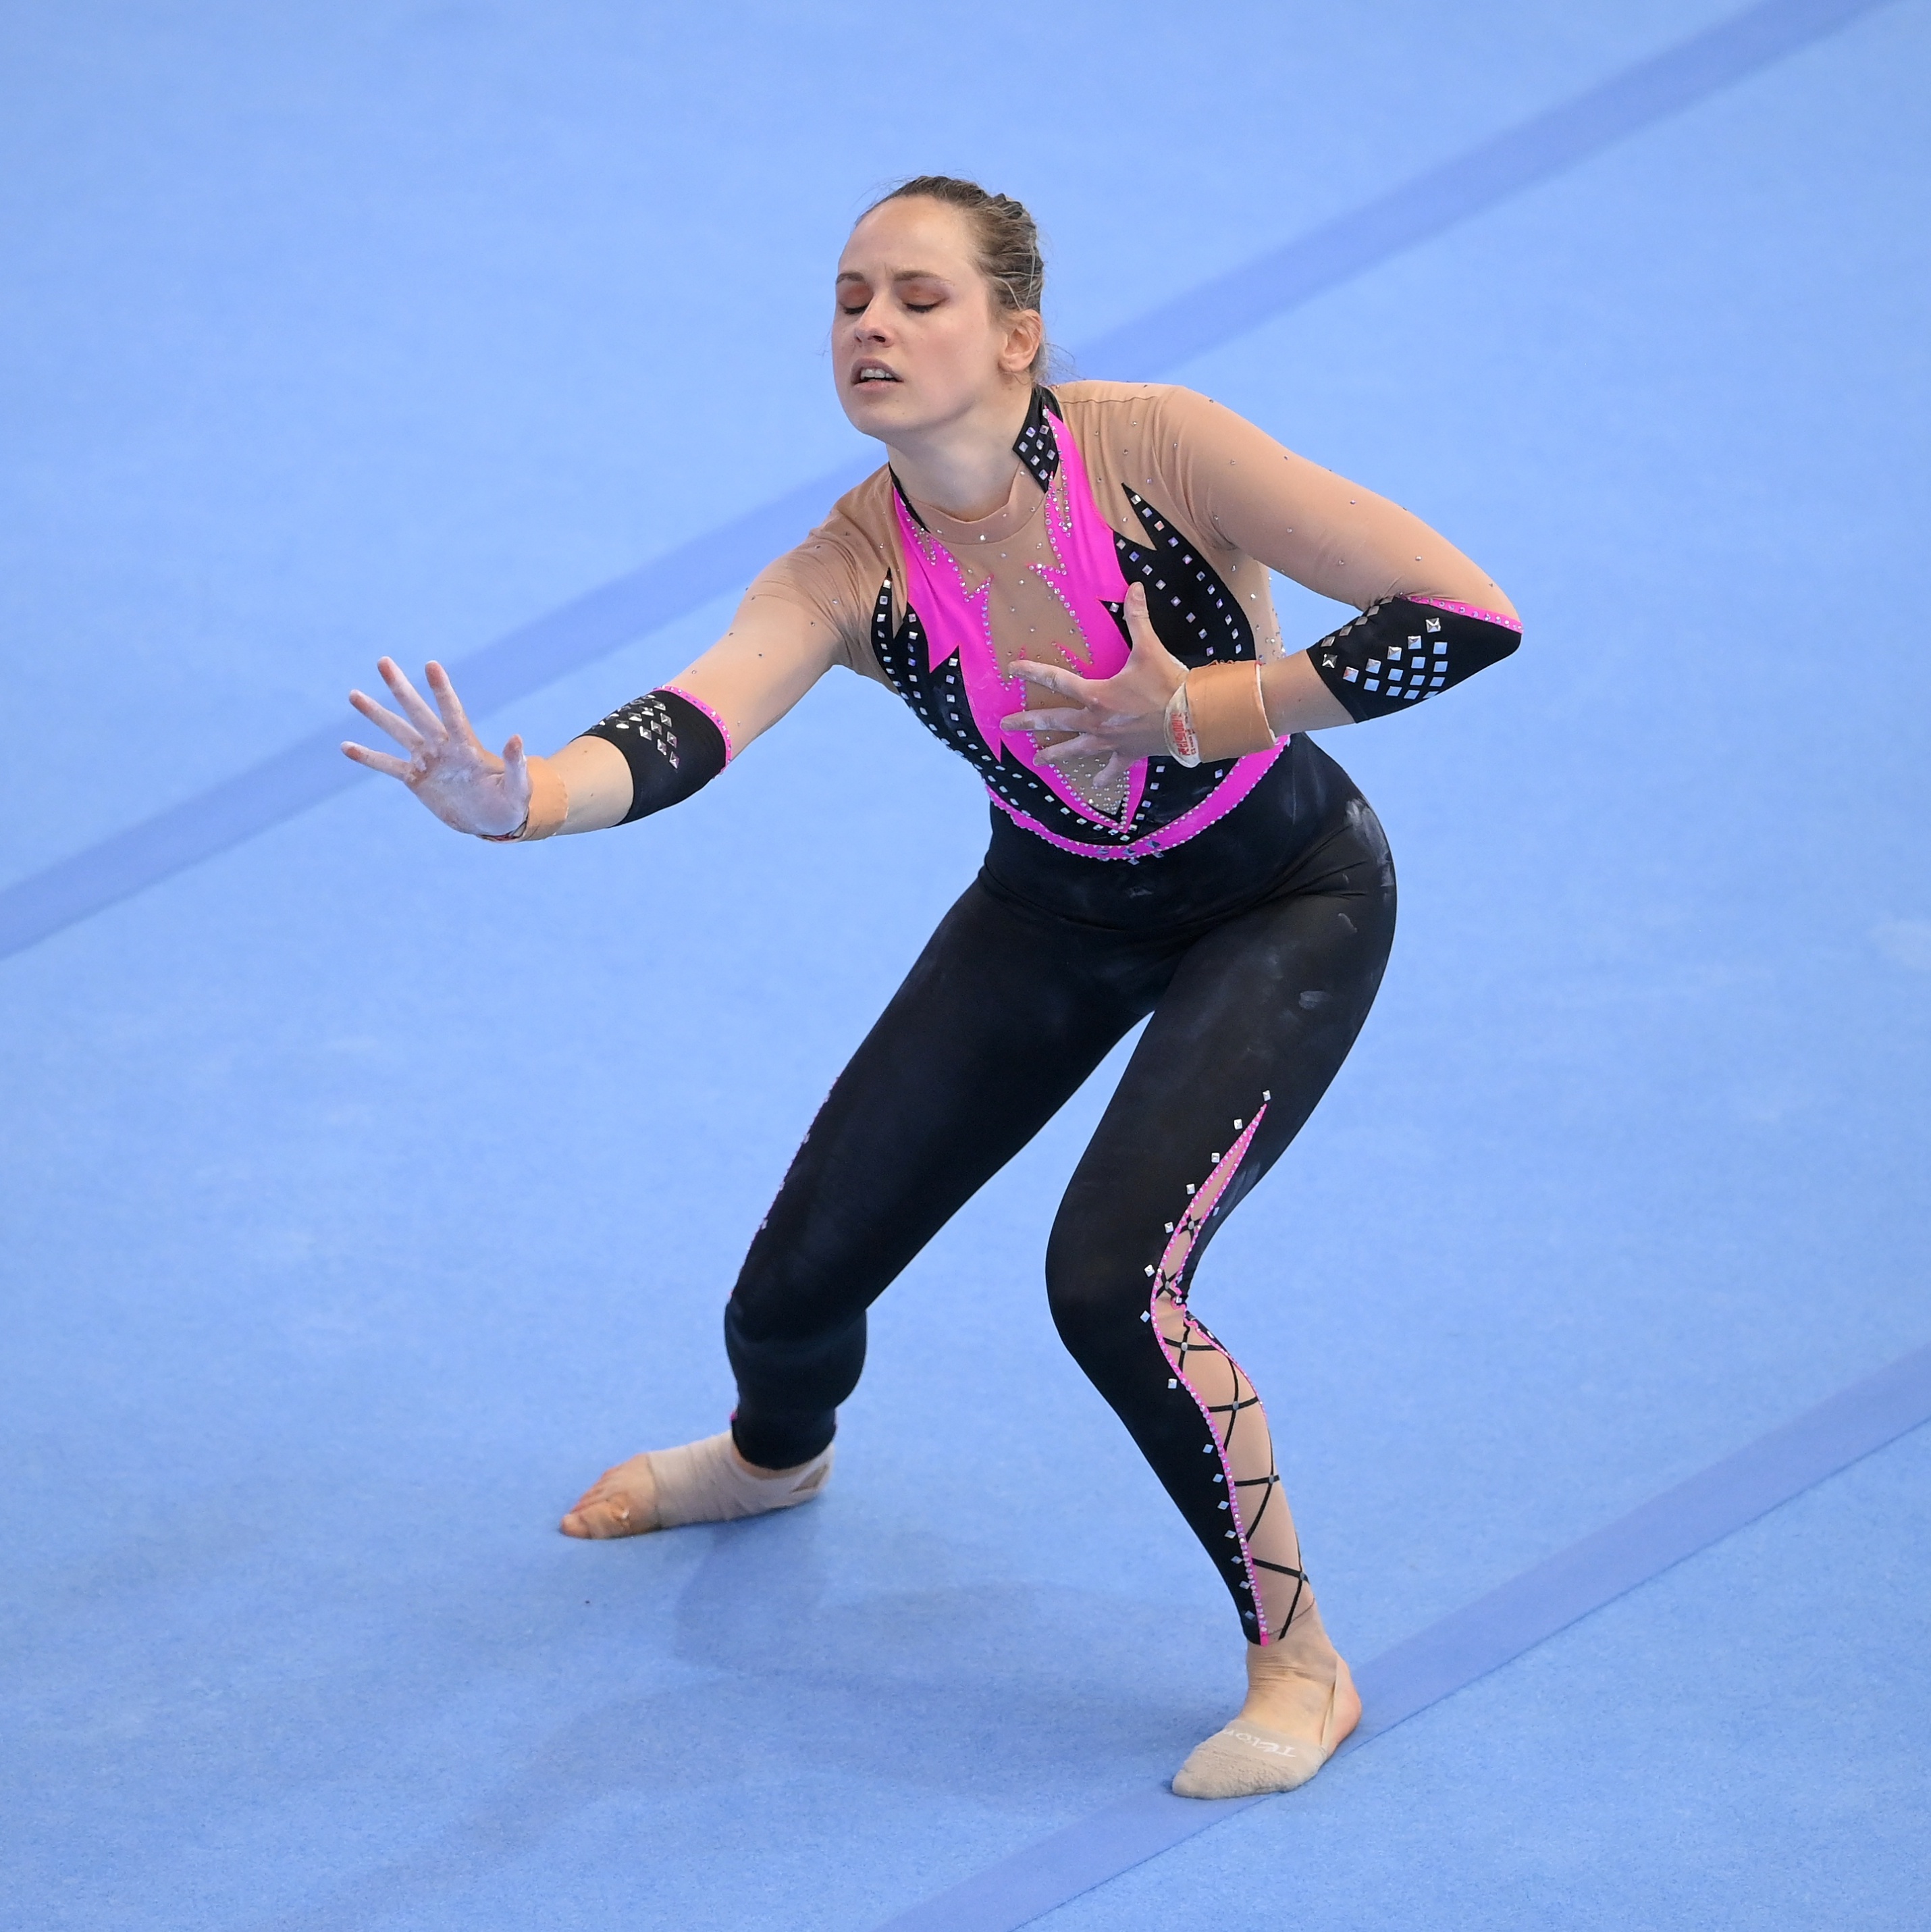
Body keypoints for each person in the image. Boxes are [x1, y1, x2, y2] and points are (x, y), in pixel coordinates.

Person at [342, 176, 1520, 1798]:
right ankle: (773, 1460)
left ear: (1016, 335)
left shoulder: (1155, 448)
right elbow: (694, 719)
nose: (870, 327)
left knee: (1110, 1282)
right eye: (846, 300)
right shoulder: (853, 561)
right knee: (789, 1291)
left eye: (915, 297)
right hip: (1050, 910)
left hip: (1280, 896)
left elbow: (1462, 614)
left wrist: (1213, 709)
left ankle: (1299, 1666)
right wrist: (526, 798)